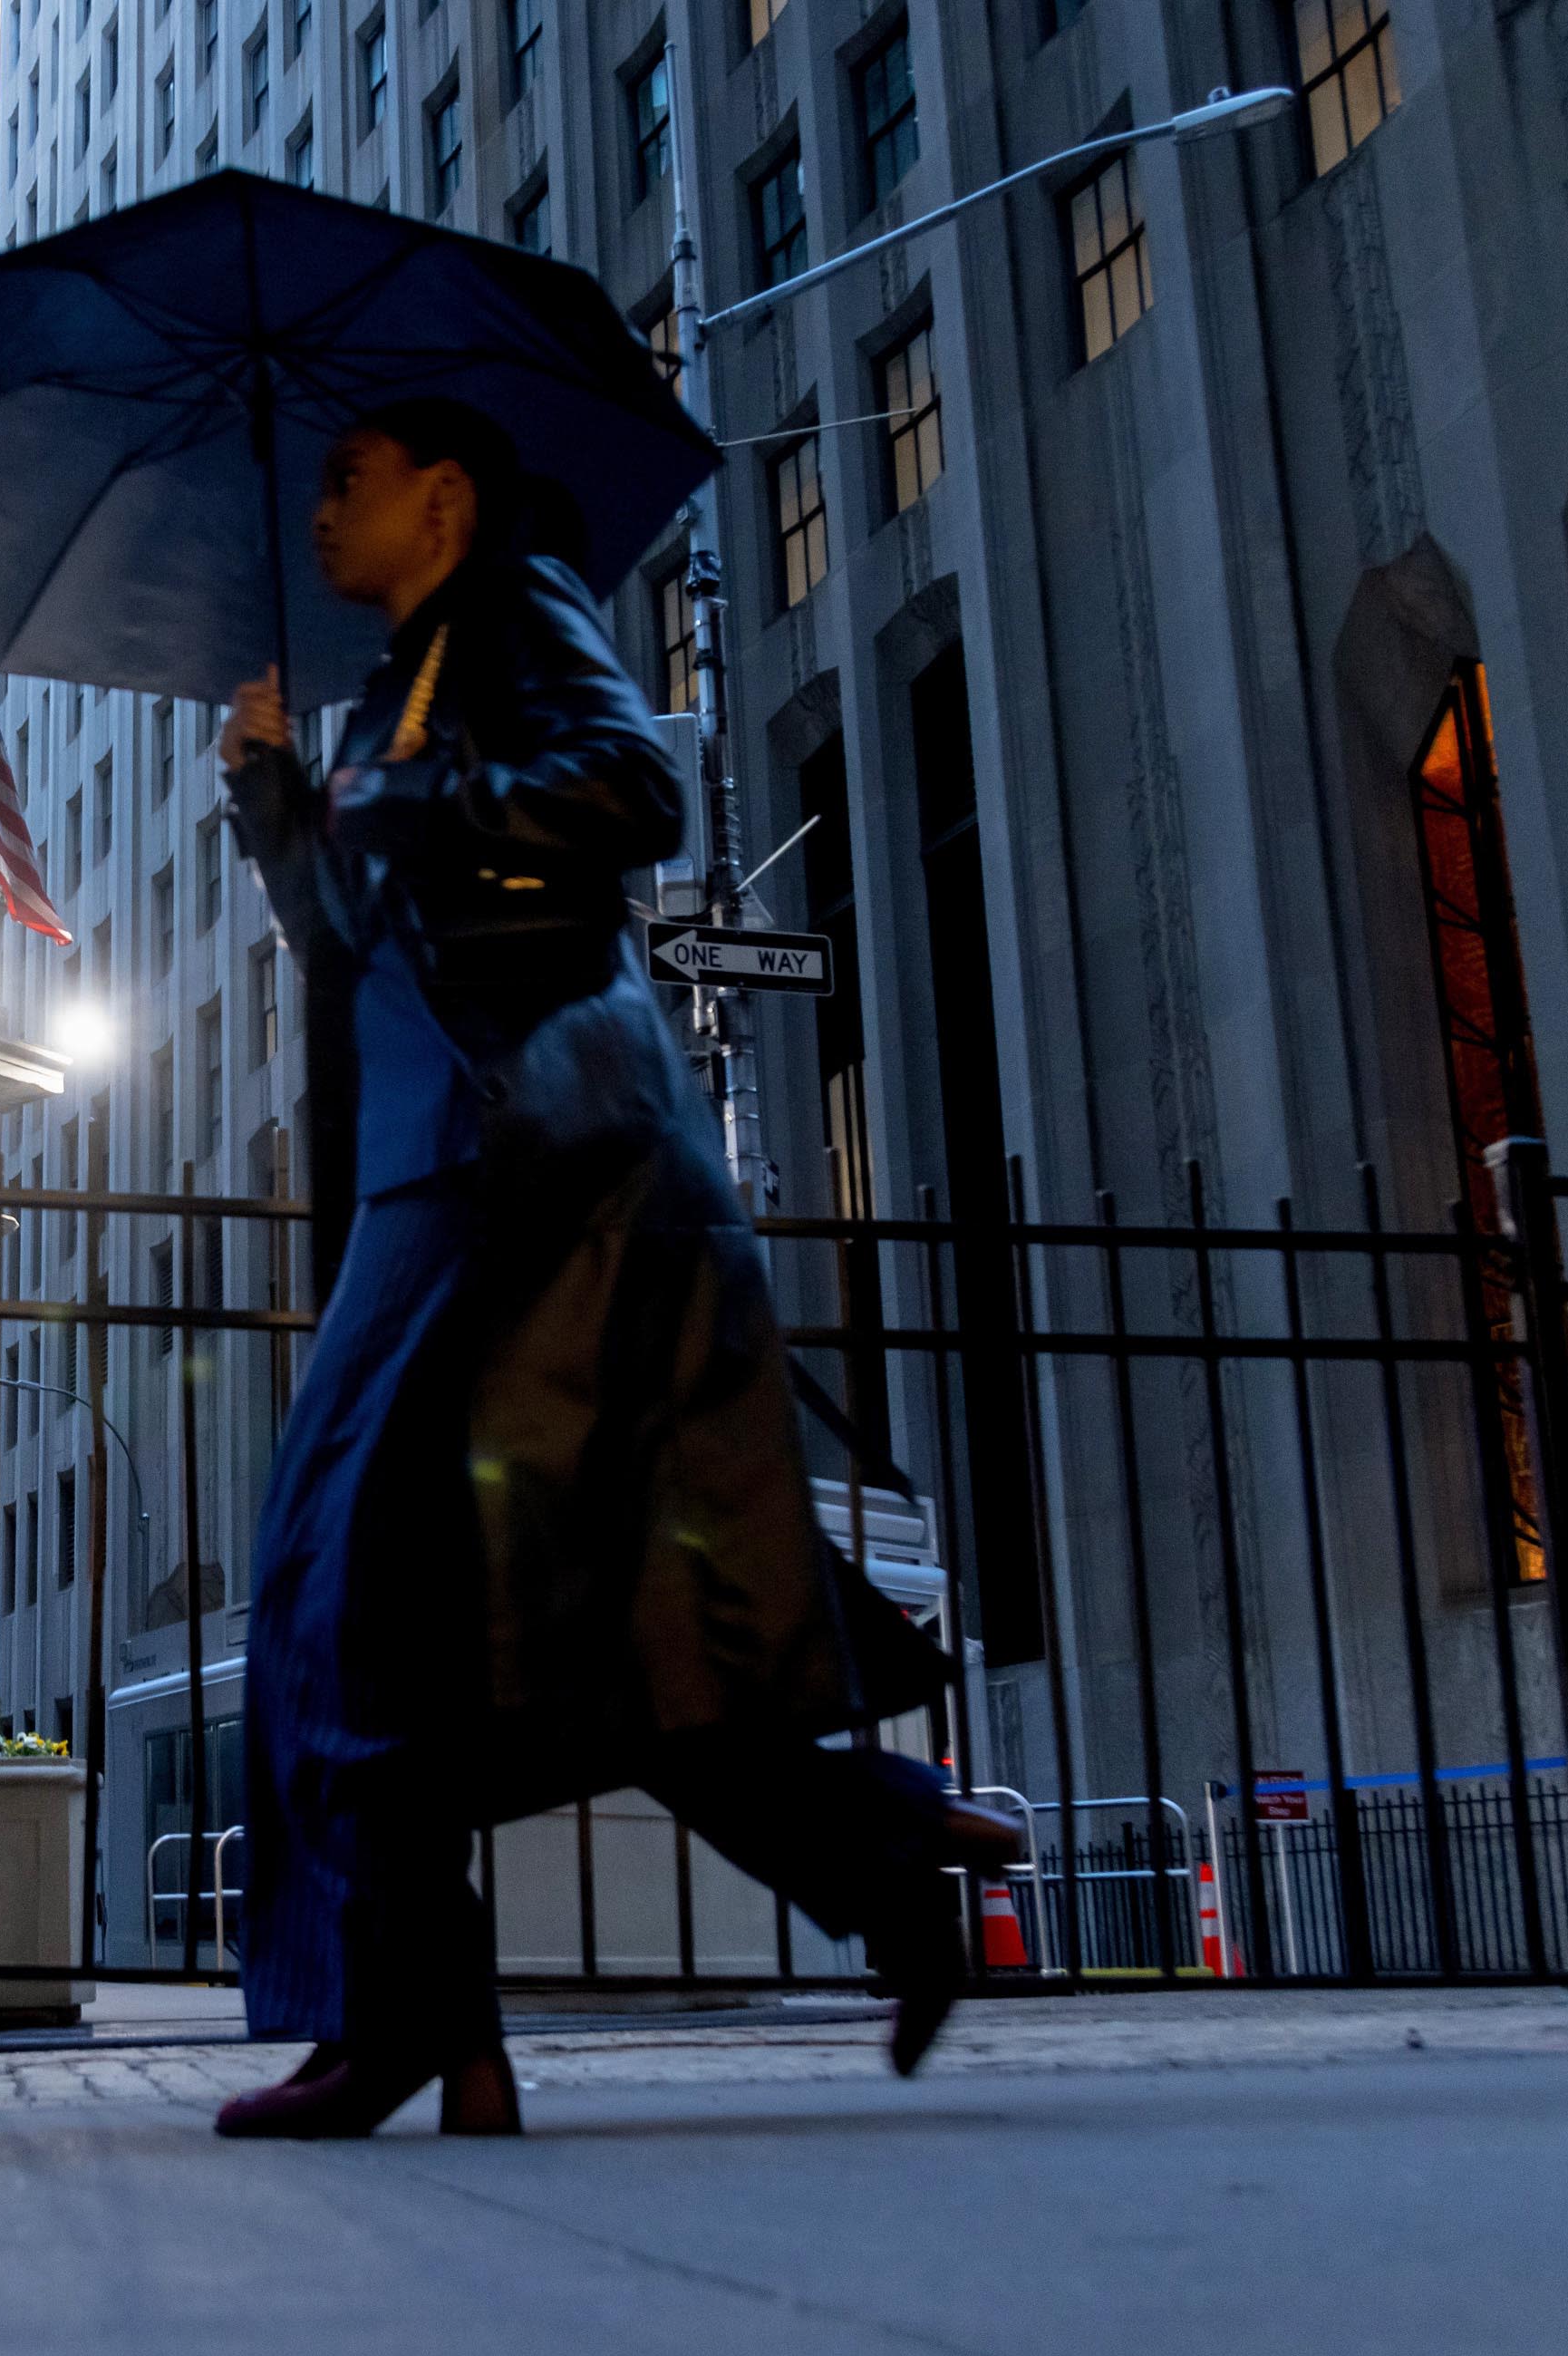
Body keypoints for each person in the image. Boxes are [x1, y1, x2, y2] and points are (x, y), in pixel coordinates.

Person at [209, 399, 1026, 2141]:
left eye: (346, 474)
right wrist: (277, 801)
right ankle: (873, 1861)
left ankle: (423, 2024)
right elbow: (359, 936)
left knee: (354, 1593)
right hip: (439, 1176)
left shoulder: (517, 611)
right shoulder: (385, 693)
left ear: (444, 489)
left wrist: (409, 793)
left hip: (544, 1176)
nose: (323, 506)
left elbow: (636, 786)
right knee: (532, 1624)